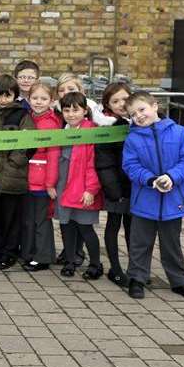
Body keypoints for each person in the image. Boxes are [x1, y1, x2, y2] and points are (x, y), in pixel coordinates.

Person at [122, 91, 184, 300]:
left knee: (171, 244)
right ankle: (137, 279)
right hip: (144, 201)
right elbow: (130, 166)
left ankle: (179, 281)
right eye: (133, 114)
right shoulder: (132, 138)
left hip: (173, 201)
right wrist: (150, 180)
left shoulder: (179, 132)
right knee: (140, 243)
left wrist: (171, 177)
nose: (138, 116)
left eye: (142, 109)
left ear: (155, 106)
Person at [0, 74, 35, 270]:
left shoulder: (22, 116)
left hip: (13, 177)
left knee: (12, 218)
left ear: (15, 96)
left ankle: (10, 252)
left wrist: (8, 166)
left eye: (7, 96)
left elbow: (27, 147)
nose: (3, 100)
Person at [55, 92, 104, 280]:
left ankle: (95, 263)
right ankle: (69, 261)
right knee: (66, 227)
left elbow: (94, 165)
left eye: (76, 110)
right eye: (66, 110)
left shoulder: (91, 131)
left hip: (84, 189)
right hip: (64, 188)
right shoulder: (63, 132)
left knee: (85, 228)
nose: (71, 114)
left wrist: (91, 189)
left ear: (85, 111)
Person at [94, 82, 133, 287]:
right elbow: (104, 162)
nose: (120, 104)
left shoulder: (140, 121)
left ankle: (134, 268)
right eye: (115, 101)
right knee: (113, 224)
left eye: (124, 99)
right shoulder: (107, 127)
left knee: (132, 227)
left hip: (137, 186)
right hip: (116, 186)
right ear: (108, 105)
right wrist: (112, 189)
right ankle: (115, 268)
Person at [21, 81, 60, 271]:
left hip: (42, 182)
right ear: (28, 99)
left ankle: (43, 256)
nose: (38, 102)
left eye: (43, 99)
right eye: (35, 98)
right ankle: (29, 253)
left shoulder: (51, 123)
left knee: (41, 221)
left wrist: (50, 183)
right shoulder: (28, 119)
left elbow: (53, 156)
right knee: (29, 220)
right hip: (28, 179)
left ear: (51, 101)